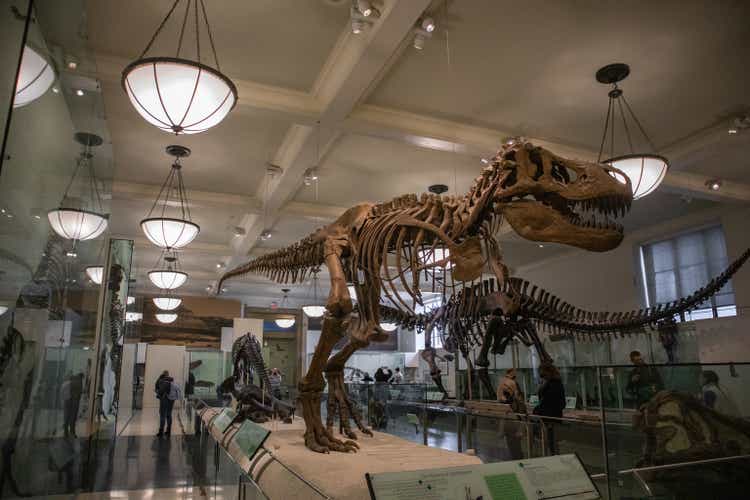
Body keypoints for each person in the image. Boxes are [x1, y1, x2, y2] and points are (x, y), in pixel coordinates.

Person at [533, 363, 566, 455]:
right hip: (550, 416)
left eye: (542, 373)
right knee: (551, 441)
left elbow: (548, 401)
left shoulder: (552, 384)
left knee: (551, 441)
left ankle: (553, 457)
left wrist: (539, 410)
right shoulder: (553, 383)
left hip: (550, 417)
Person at [497, 368, 525, 459]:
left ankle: (515, 459)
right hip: (512, 417)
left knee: (512, 445)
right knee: (515, 446)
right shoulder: (511, 383)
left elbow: (500, 398)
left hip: (510, 418)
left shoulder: (503, 382)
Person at [156, 371, 181, 437]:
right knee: (169, 414)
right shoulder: (173, 383)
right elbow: (178, 390)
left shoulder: (163, 382)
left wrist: (159, 395)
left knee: (162, 415)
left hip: (164, 399)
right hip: (172, 400)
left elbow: (160, 391)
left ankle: (161, 431)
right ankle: (168, 430)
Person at [62, 373, 83, 438]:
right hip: (74, 401)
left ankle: (67, 432)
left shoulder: (67, 383)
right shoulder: (78, 382)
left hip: (68, 400)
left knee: (67, 416)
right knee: (72, 417)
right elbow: (79, 392)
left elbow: (62, 392)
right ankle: (71, 432)